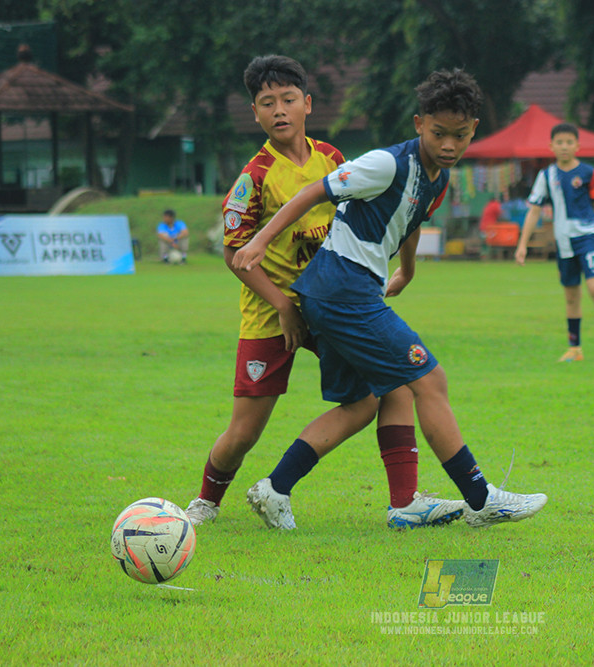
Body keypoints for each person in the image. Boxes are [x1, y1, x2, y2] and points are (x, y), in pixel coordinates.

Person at [233, 68, 547, 529]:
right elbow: (312, 192)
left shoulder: (437, 177)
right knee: (430, 379)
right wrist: (260, 240)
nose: (448, 145)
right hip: (342, 290)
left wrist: (408, 270)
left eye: (459, 136)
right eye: (438, 133)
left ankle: (277, 489)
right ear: (419, 124)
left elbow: (411, 219)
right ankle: (481, 500)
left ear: (472, 132)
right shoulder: (386, 163)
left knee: (370, 400)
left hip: (338, 292)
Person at [184, 55, 462, 530]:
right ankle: (206, 501)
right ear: (255, 113)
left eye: (288, 100)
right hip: (270, 315)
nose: (279, 110)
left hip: (332, 302)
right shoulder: (254, 177)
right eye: (267, 103)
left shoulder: (332, 160)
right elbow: (238, 256)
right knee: (245, 430)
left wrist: (405, 268)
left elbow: (397, 209)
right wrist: (282, 307)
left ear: (307, 104)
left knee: (390, 386)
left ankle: (405, 502)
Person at [513, 123, 594, 363]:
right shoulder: (546, 176)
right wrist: (523, 244)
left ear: (577, 146)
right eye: (560, 142)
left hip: (588, 237)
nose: (564, 147)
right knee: (571, 295)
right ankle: (575, 349)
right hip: (564, 242)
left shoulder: (588, 172)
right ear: (551, 146)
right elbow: (534, 211)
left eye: (569, 142)